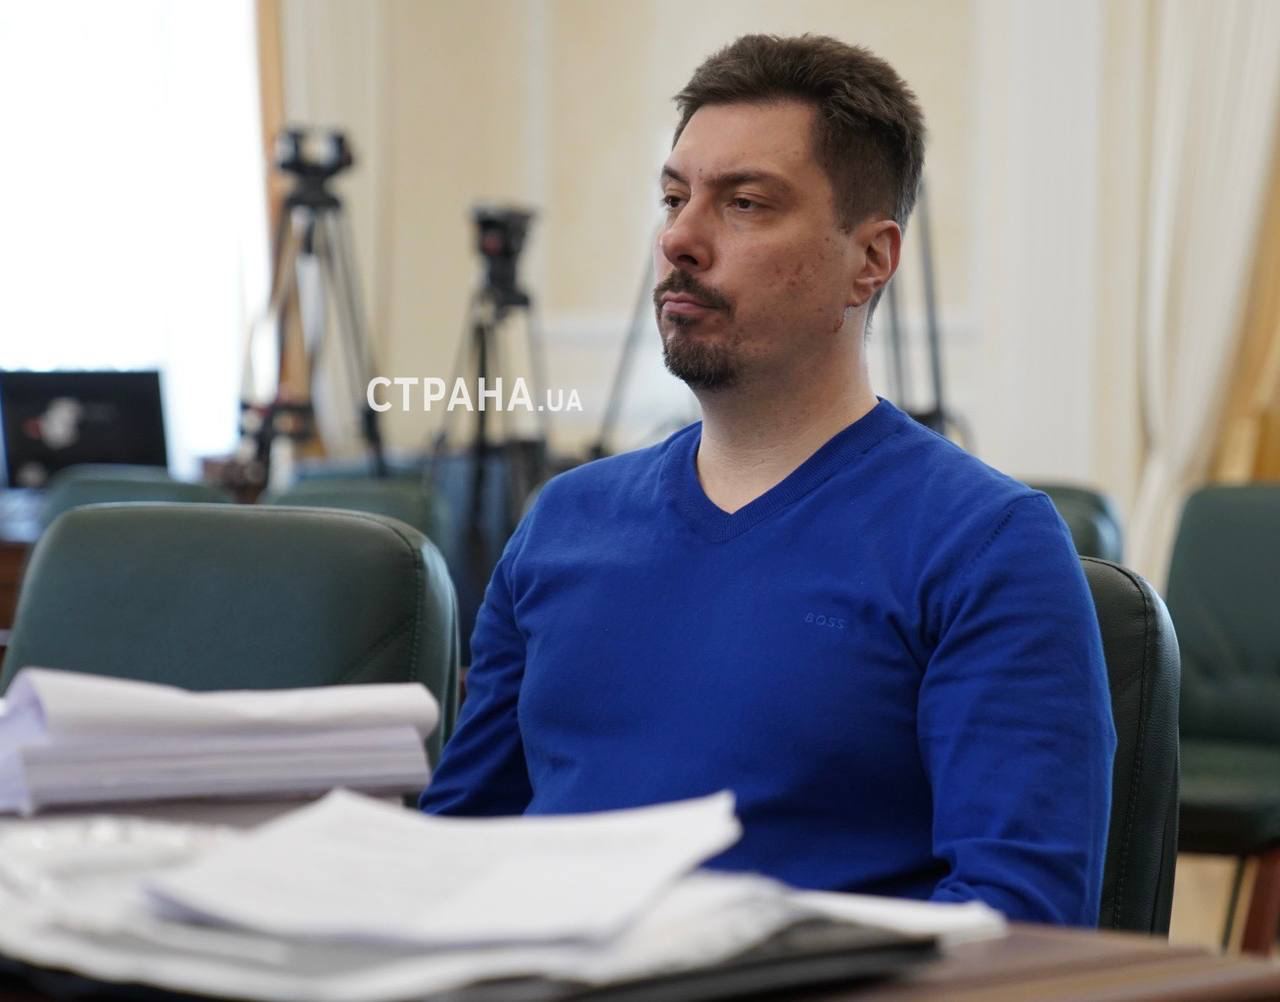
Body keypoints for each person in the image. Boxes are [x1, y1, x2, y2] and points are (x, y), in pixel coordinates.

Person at [422, 33, 1115, 926]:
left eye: (744, 204)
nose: (679, 238)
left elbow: (1018, 924)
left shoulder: (986, 545)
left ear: (871, 259)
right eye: (674, 198)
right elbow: (455, 854)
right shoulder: (563, 520)